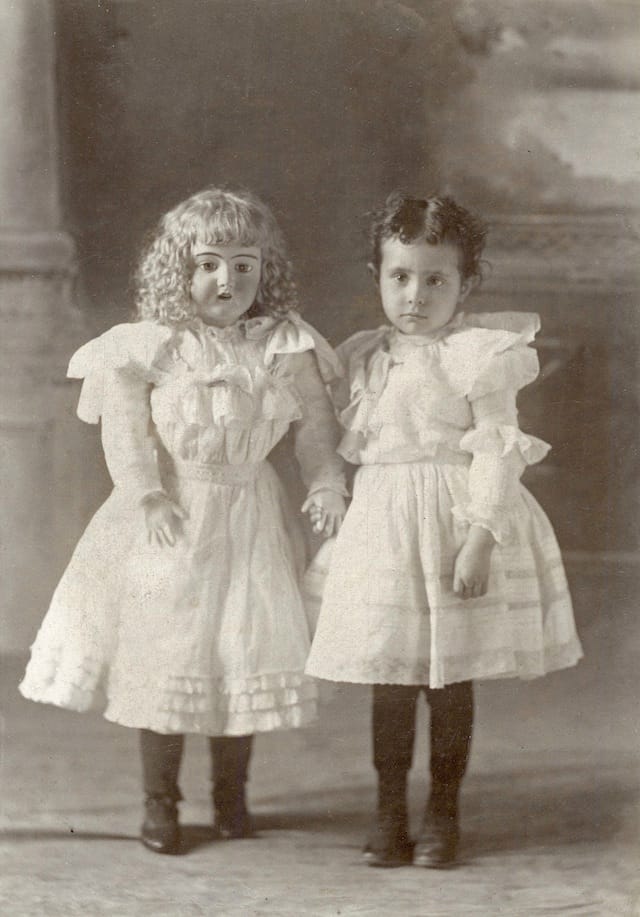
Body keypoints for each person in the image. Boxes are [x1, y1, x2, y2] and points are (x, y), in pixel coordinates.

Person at [20, 187, 346, 855]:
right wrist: (145, 493)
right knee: (168, 652)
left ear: (264, 269)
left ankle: (232, 798)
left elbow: (314, 426)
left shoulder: (283, 343)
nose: (226, 280)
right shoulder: (150, 345)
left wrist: (326, 479)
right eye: (208, 264)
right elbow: (127, 429)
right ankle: (159, 803)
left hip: (250, 513)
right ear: (178, 268)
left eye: (243, 265)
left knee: (239, 648)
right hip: (174, 512)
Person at [304, 192, 583, 869]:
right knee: (390, 677)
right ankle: (389, 809)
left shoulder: (478, 353)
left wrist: (482, 533)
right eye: (399, 276)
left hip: (455, 517)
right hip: (384, 524)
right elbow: (348, 444)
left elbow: (495, 445)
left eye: (436, 279)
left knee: (450, 679)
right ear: (377, 274)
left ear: (466, 283)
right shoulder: (365, 354)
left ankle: (443, 812)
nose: (416, 295)